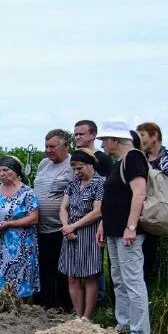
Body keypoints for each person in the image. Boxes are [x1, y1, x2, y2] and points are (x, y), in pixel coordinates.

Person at [96, 121, 151, 334]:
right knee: (119, 280)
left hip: (127, 233)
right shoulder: (119, 163)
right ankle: (124, 324)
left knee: (132, 281)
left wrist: (131, 227)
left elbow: (139, 194)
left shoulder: (134, 159)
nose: (102, 144)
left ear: (115, 140)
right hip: (114, 231)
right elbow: (112, 199)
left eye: (104, 140)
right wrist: (103, 225)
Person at [0, 156, 40, 299]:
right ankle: (2, 308)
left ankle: (21, 308)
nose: (1, 174)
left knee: (20, 278)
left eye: (5, 170)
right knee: (0, 277)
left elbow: (34, 218)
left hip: (21, 245)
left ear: (16, 171)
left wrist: (9, 224)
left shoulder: (27, 192)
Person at [58, 149, 105, 321]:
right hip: (69, 231)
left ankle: (87, 317)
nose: (77, 172)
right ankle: (77, 315)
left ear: (90, 165)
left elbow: (98, 211)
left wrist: (74, 226)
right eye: (74, 169)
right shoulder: (72, 184)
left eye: (80, 168)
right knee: (72, 276)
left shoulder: (100, 183)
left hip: (89, 232)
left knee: (89, 275)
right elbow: (63, 207)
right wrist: (66, 226)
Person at [135, 122, 168, 286]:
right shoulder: (138, 157)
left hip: (163, 214)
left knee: (157, 258)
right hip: (141, 215)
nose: (139, 140)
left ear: (154, 135)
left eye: (142, 136)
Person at [33, 129, 73, 311]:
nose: (48, 150)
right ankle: (45, 305)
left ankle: (63, 307)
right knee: (43, 268)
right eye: (46, 146)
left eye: (52, 146)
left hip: (61, 228)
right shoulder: (43, 164)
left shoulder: (72, 164)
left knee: (62, 270)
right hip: (39, 227)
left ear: (65, 145)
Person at [73, 120, 111, 305]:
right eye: (76, 134)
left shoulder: (101, 159)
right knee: (77, 265)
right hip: (75, 219)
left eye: (82, 134)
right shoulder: (76, 157)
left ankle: (99, 301)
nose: (78, 137)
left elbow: (105, 190)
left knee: (94, 264)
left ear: (93, 135)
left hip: (95, 219)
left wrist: (102, 219)